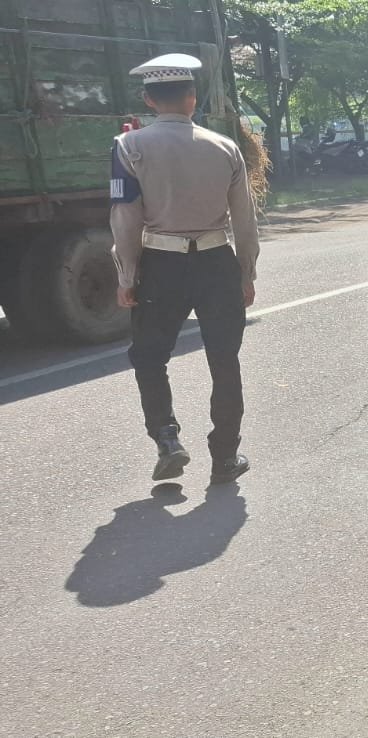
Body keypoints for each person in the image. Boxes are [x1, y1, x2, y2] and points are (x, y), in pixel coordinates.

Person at [110, 53, 258, 486]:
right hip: (216, 262)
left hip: (161, 264)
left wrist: (126, 275)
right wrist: (246, 273)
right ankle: (225, 457)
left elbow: (125, 216)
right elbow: (244, 218)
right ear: (192, 99)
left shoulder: (128, 147)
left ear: (149, 100)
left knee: (149, 356)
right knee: (224, 361)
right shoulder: (226, 147)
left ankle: (167, 438)